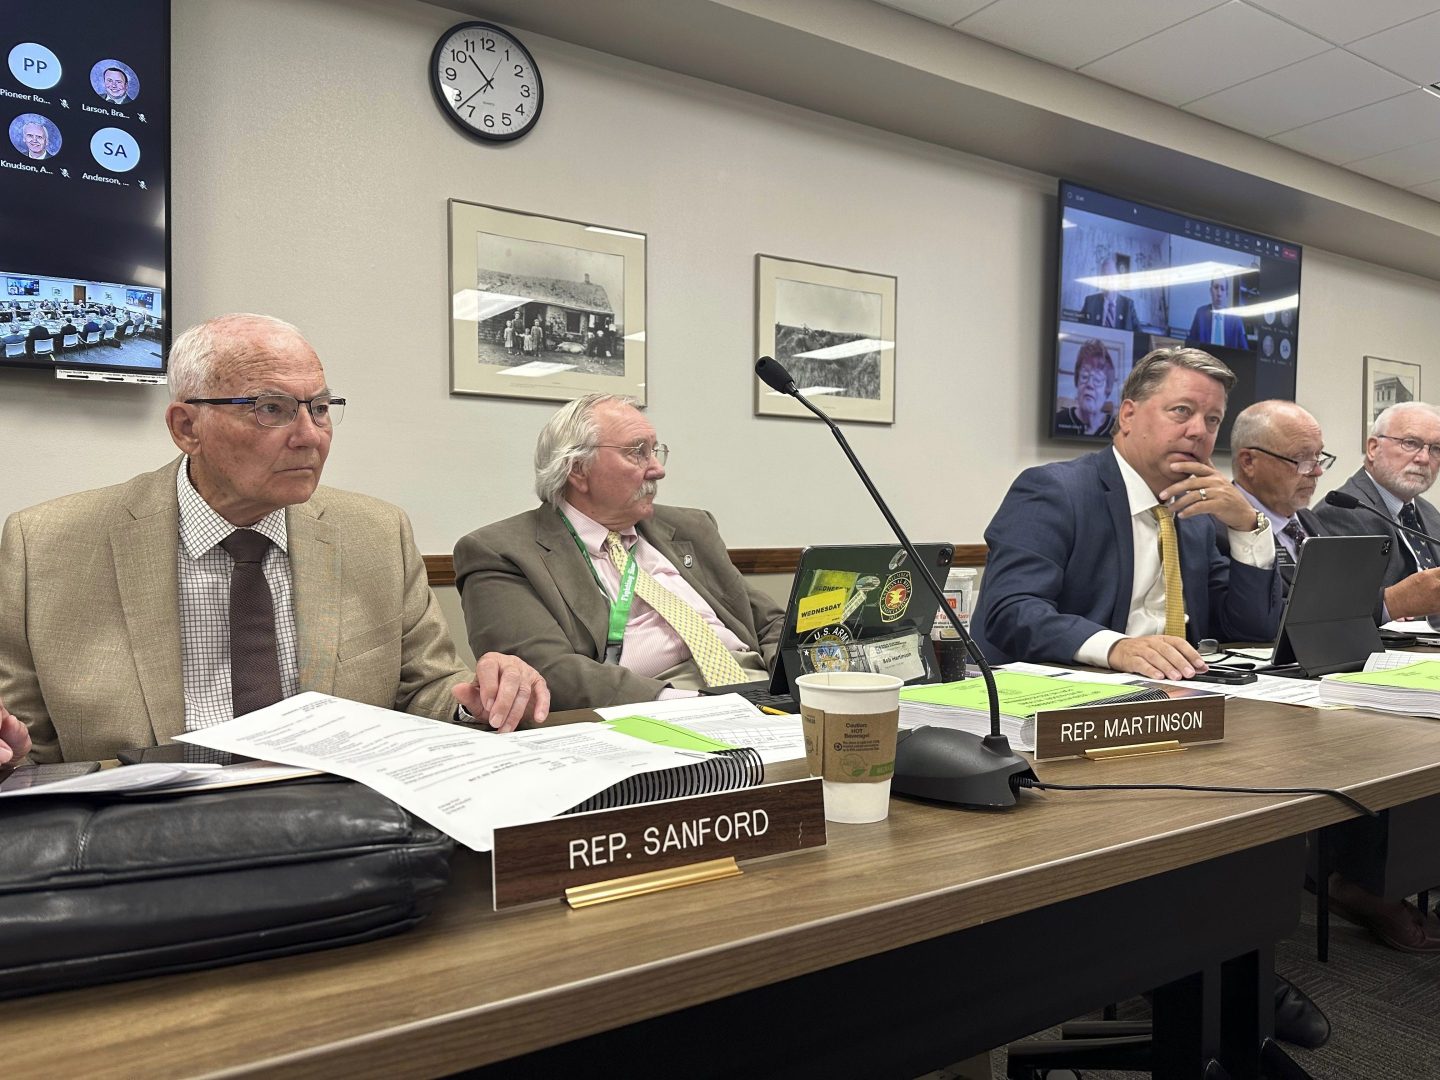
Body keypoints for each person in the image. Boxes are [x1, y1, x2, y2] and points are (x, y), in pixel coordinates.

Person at [0, 313, 549, 766]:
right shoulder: (48, 547)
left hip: (343, 832)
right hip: (138, 848)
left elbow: (425, 690)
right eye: (272, 409)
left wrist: (477, 703)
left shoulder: (376, 535)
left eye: (319, 409)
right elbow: (26, 747)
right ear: (186, 427)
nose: (310, 436)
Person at [454, 393, 784, 710]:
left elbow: (768, 622)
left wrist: (795, 679)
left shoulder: (692, 527)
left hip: (762, 688)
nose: (658, 469)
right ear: (578, 469)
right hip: (658, 706)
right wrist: (696, 706)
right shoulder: (502, 552)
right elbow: (546, 672)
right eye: (637, 452)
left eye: (656, 451)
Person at [973, 347, 1283, 681]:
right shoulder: (1056, 491)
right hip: (1053, 702)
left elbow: (1251, 629)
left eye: (1213, 420)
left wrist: (1248, 526)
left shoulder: (1194, 514)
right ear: (1128, 416)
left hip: (1176, 697)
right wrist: (1116, 648)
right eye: (1182, 411)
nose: (1198, 431)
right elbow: (1011, 610)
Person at [1314, 401, 1440, 620]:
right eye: (1410, 443)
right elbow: (1344, 612)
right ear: (1373, 448)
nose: (1424, 458)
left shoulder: (1428, 513)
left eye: (1436, 449)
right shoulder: (1342, 512)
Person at [1226, 400, 1334, 589]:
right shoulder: (1219, 529)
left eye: (1318, 456)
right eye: (1301, 458)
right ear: (1249, 462)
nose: (1317, 471)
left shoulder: (1309, 520)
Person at [1053, 339, 1116, 437]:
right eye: (1085, 376)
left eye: (1097, 379)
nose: (1090, 384)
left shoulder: (1117, 431)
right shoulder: (1058, 421)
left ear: (1107, 390)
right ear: (1077, 381)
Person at [1185, 276, 1248, 350]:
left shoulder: (1235, 319)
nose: (1219, 294)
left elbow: (1244, 350)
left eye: (1222, 289)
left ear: (1226, 293)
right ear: (1211, 291)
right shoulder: (1200, 314)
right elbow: (1191, 346)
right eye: (1216, 287)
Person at [1078, 255, 1138, 330]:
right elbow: (1079, 327)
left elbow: (1139, 334)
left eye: (1111, 276)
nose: (1108, 280)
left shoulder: (1128, 305)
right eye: (1104, 276)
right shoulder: (1090, 301)